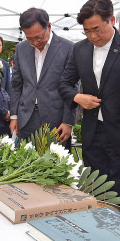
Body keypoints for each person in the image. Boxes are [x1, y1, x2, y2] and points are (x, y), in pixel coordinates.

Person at [60, 0, 120, 216]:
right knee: (94, 182)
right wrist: (78, 97)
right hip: (92, 129)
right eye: (87, 31)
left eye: (97, 29)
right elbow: (64, 83)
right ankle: (94, 220)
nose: (93, 36)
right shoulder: (79, 49)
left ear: (112, 20)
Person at [10, 8, 75, 146]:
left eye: (38, 37)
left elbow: (72, 88)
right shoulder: (21, 48)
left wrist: (68, 121)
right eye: (29, 38)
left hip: (56, 120)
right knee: (24, 162)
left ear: (49, 27)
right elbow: (16, 84)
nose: (35, 42)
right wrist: (14, 116)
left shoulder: (68, 48)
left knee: (55, 164)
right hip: (26, 118)